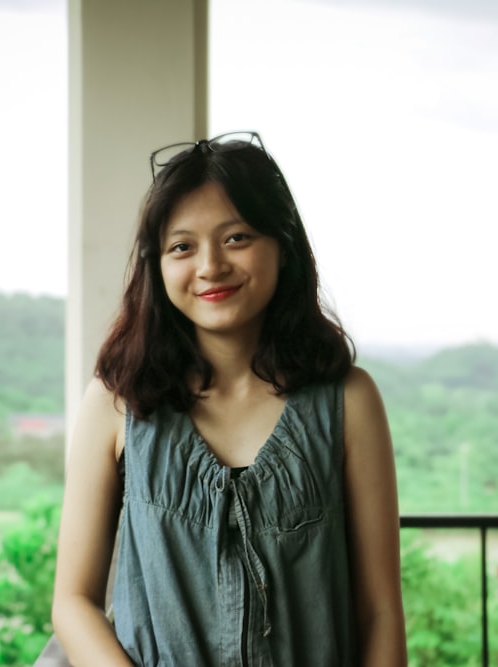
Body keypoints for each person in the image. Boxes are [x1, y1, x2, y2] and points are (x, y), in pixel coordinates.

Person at [51, 131, 406, 666]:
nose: (210, 266)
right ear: (158, 266)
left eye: (236, 238)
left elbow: (379, 612)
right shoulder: (114, 402)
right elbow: (73, 603)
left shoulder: (350, 401)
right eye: (181, 246)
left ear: (283, 248)